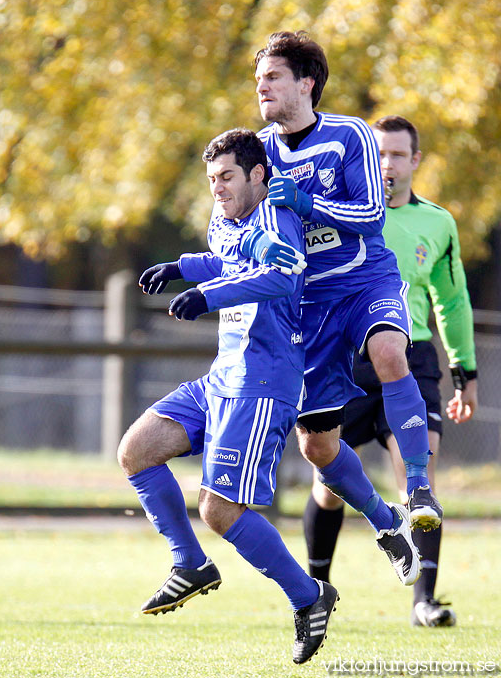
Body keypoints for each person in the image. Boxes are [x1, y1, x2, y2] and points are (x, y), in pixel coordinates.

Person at [118, 127, 339, 666]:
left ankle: (310, 598)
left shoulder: (274, 220)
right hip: (222, 377)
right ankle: (189, 563)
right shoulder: (229, 218)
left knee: (217, 508)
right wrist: (184, 268)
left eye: (227, 178)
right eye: (212, 179)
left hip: (262, 383)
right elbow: (227, 258)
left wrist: (208, 295)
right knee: (136, 449)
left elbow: (282, 273)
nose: (217, 188)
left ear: (259, 175)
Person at [239, 31, 443, 534]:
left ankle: (418, 485)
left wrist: (307, 204)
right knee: (318, 448)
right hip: (309, 305)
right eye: (258, 79)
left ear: (307, 82)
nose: (261, 88)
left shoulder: (349, 135)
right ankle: (383, 522)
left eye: (273, 77)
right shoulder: (257, 151)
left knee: (391, 354)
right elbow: (232, 225)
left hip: (364, 283)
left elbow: (372, 215)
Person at [303, 115, 478, 628]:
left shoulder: (437, 224)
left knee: (417, 477)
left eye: (398, 155)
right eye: (378, 154)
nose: (387, 165)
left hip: (413, 358)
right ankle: (317, 591)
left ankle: (424, 600)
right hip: (347, 359)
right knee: (326, 483)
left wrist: (464, 371)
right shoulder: (337, 217)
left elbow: (453, 301)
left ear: (415, 161)